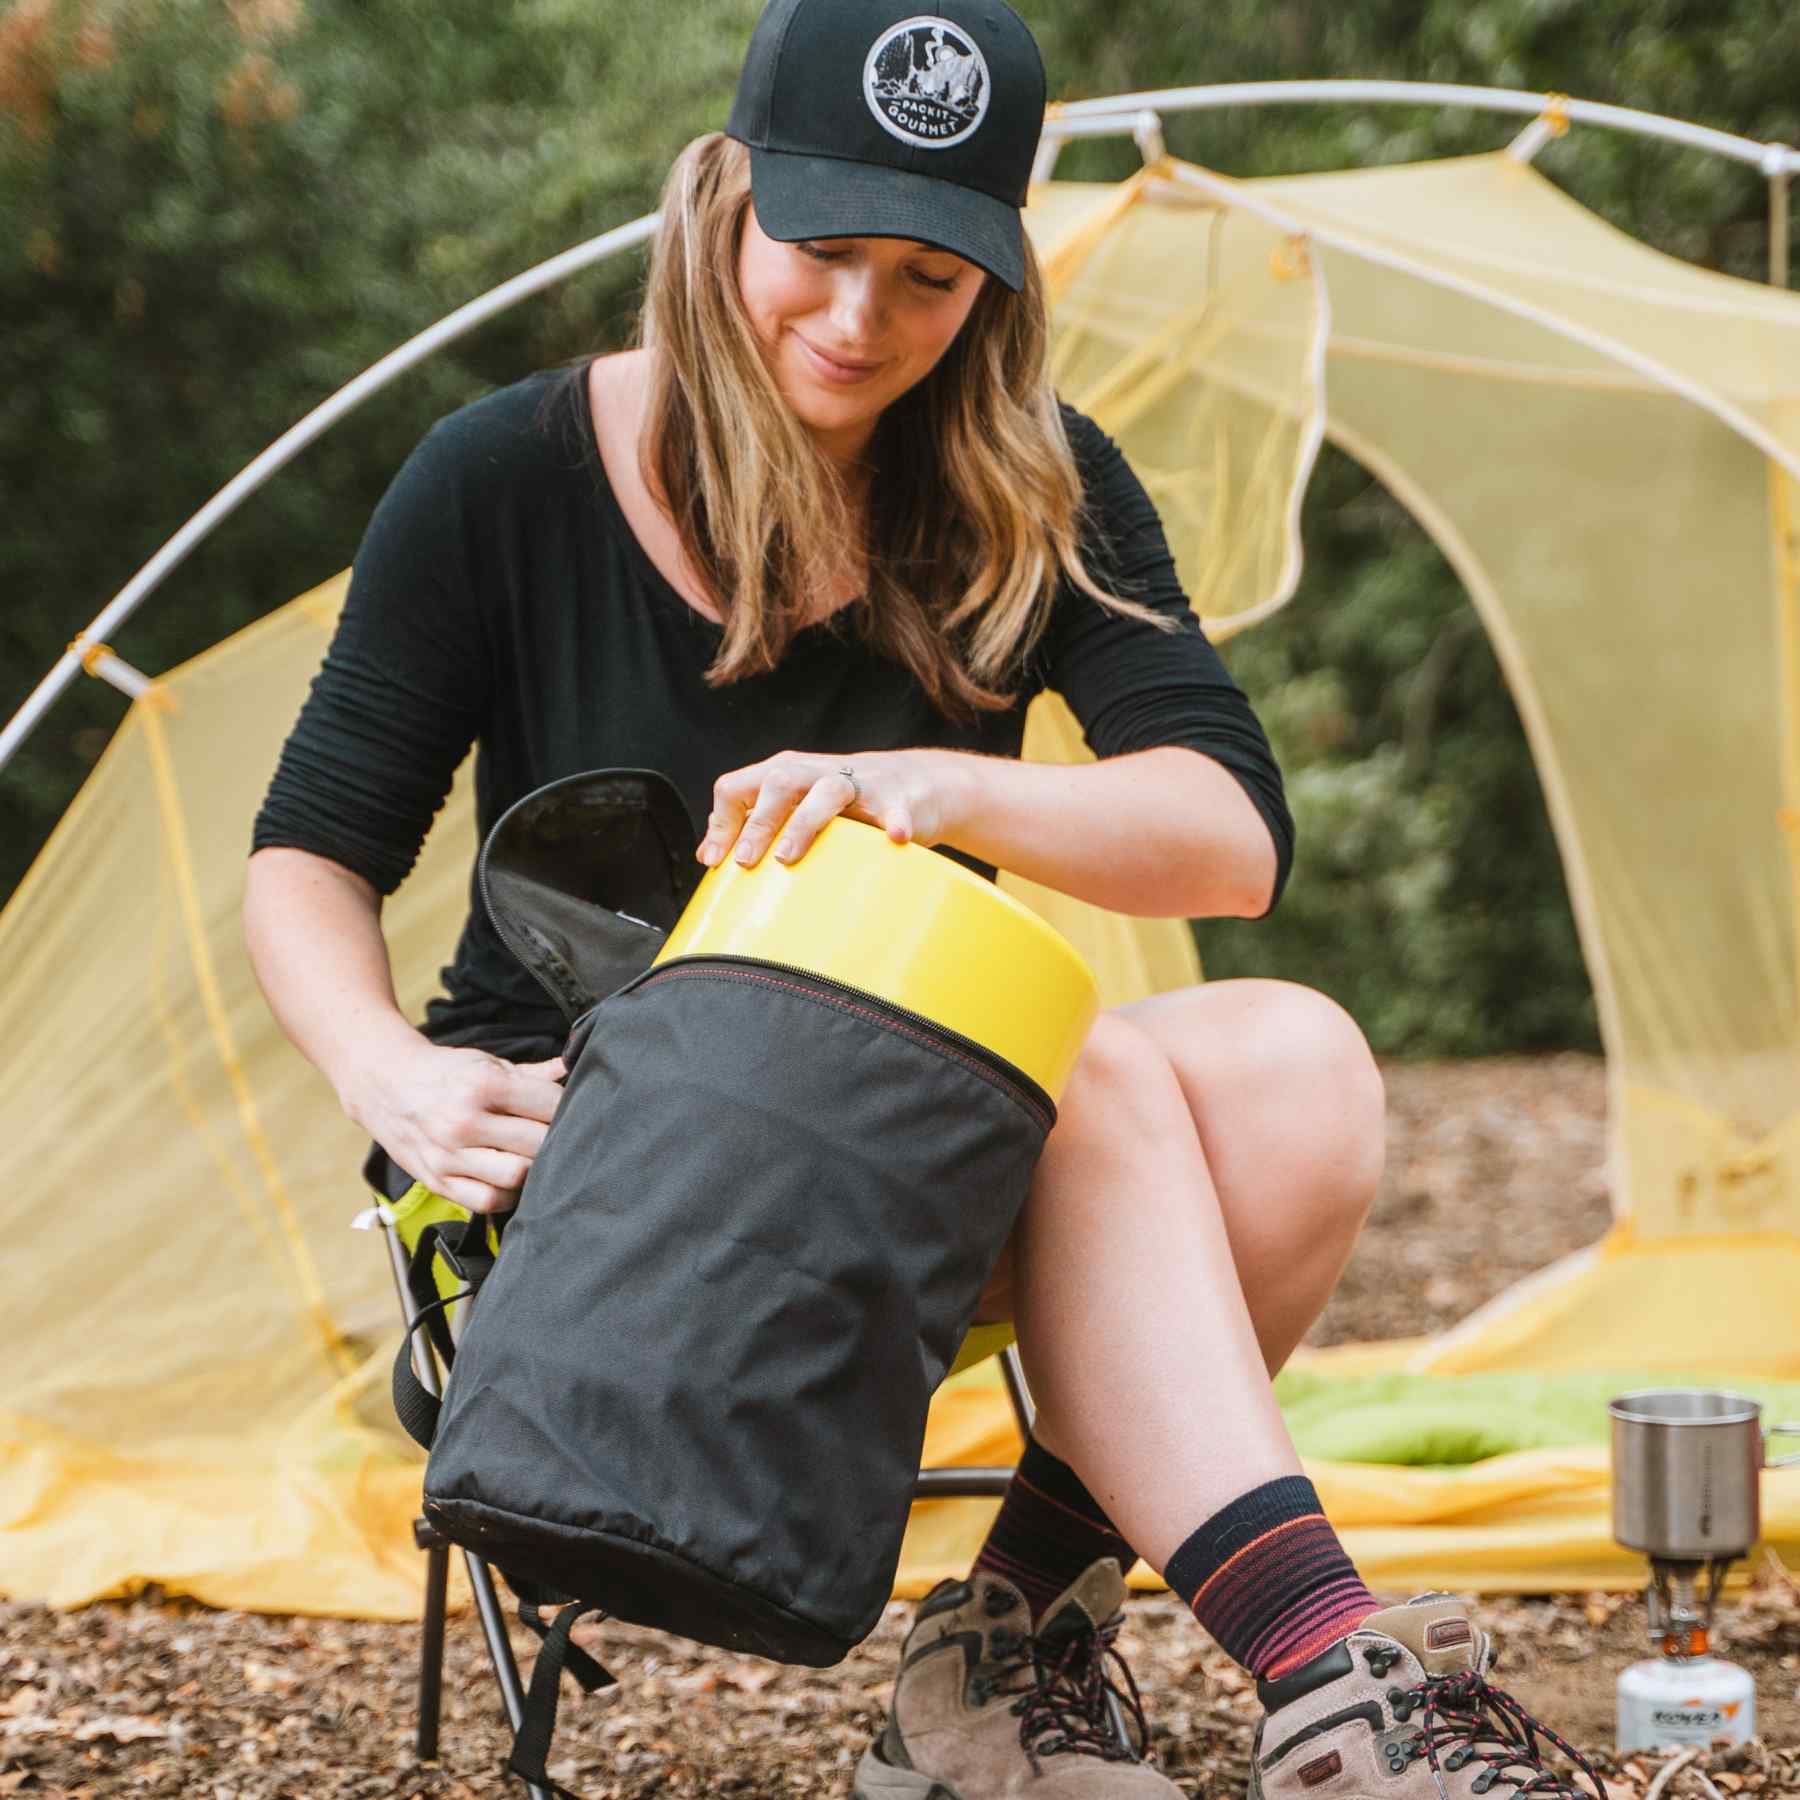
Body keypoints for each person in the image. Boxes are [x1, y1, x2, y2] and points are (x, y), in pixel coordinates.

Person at [243, 3, 1602, 1796]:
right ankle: (1336, 1680)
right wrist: (391, 1083)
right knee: (1086, 1068)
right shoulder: (502, 476)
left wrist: (938, 784)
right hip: (580, 1184)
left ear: (997, 287)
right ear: (718, 201)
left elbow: (1230, 838)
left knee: (1302, 1067)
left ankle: (994, 1661)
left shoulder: (1023, 483)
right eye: (817, 253)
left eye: (930, 277)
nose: (861, 323)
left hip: (887, 1151)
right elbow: (309, 856)